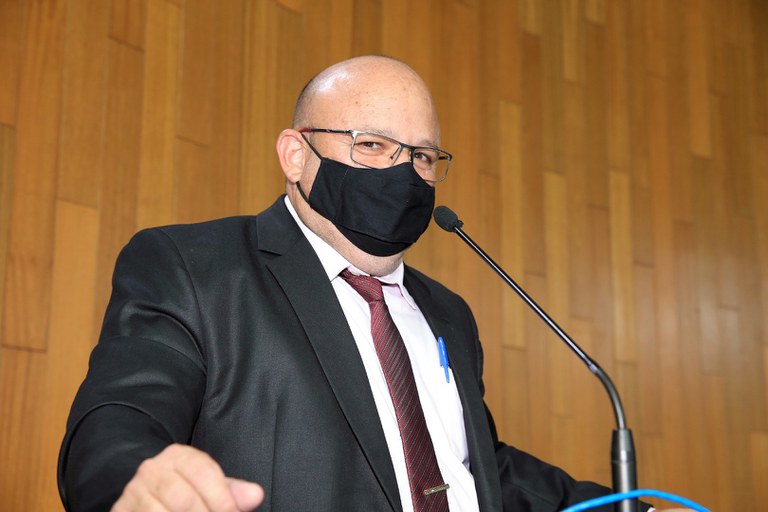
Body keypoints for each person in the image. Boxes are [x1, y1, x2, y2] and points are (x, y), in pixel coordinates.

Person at [58, 56, 680, 512]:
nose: (403, 173)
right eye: (373, 145)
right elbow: (119, 418)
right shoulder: (195, 266)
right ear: (295, 155)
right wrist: (137, 478)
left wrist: (626, 509)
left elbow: (475, 467)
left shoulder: (449, 312)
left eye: (422, 156)